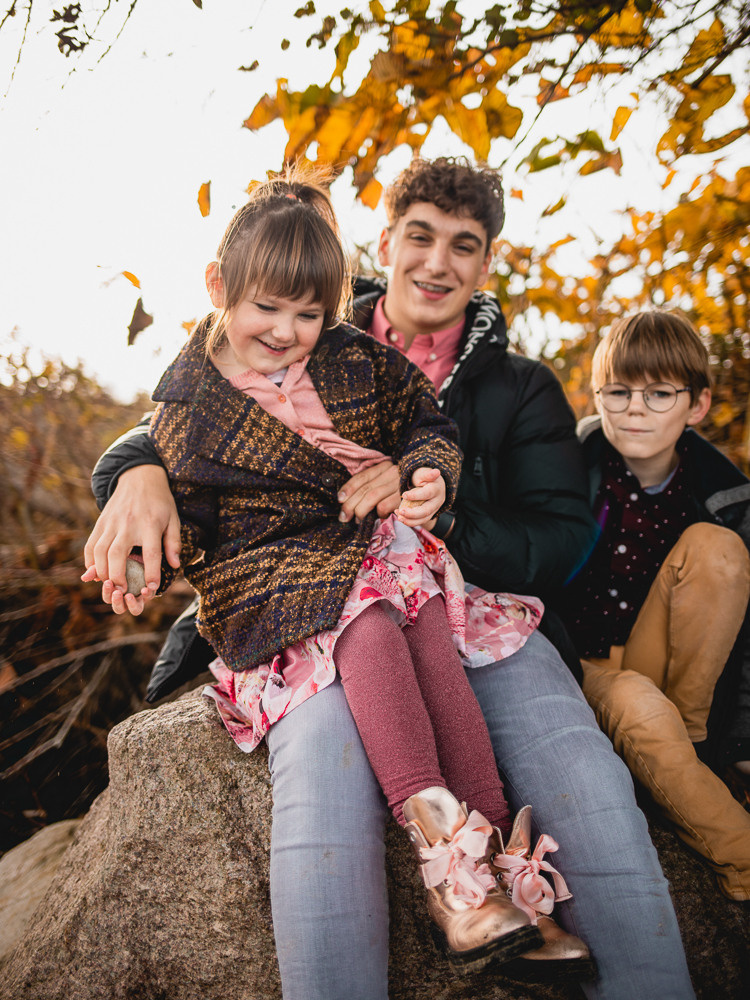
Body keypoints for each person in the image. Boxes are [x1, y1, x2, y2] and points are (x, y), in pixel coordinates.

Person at [84, 157, 696, 1000]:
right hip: (313, 601)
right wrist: (133, 472)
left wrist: (431, 502)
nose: (438, 262)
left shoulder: (517, 390)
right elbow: (186, 417)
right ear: (383, 243)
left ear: (488, 263)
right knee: (330, 766)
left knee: (583, 779)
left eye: (465, 245)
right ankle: (448, 885)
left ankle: (545, 913)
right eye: (419, 236)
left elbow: (556, 539)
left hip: (462, 604)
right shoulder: (304, 325)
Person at [559, 309, 750, 902]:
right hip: (581, 663)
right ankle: (743, 860)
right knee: (641, 707)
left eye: (659, 394)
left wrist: (740, 747)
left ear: (695, 405)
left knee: (718, 550)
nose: (634, 409)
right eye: (617, 392)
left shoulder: (726, 494)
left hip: (664, 660)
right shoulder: (571, 463)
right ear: (597, 395)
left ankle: (689, 749)